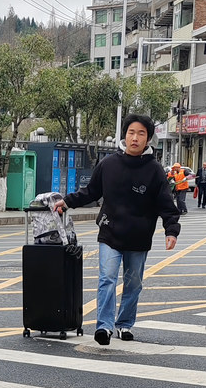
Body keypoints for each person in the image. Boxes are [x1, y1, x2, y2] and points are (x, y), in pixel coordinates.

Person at [54, 114, 180, 345]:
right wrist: (68, 201)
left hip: (139, 237)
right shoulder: (109, 164)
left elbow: (166, 204)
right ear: (124, 135)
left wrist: (171, 230)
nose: (135, 138)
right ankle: (104, 326)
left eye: (141, 134)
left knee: (133, 284)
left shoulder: (154, 170)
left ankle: (124, 324)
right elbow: (91, 191)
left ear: (148, 139)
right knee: (107, 279)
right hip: (110, 233)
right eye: (131, 132)